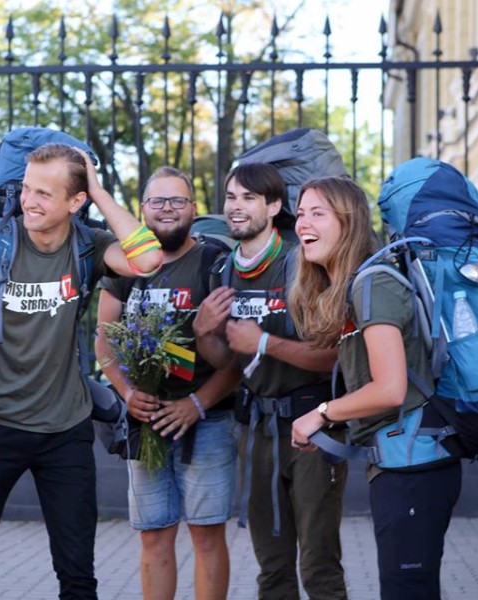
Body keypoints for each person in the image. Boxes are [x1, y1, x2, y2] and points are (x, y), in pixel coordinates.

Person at [0, 143, 163, 599]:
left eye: (44, 193)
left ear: (74, 202)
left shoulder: (88, 246)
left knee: (78, 575)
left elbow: (148, 259)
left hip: (66, 430)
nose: (30, 201)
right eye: (26, 189)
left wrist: (97, 190)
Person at [288, 177, 462, 599]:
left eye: (318, 213)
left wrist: (322, 413)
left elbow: (389, 389)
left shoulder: (373, 283)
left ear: (348, 223)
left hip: (414, 468)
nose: (302, 223)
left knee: (406, 590)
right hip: (401, 463)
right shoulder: (358, 285)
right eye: (300, 213)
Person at [193, 163, 349, 599]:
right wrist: (205, 331)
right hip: (257, 430)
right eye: (230, 197)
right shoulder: (222, 269)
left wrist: (264, 342)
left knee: (318, 564)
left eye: (248, 198)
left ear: (274, 205)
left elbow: (336, 355)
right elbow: (227, 359)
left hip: (313, 426)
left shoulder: (304, 262)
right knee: (271, 566)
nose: (236, 207)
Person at [95, 167, 240, 600]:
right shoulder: (126, 260)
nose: (167, 210)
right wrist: (127, 394)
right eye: (157, 201)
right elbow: (104, 341)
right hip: (147, 423)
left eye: (177, 201)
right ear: (142, 210)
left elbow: (238, 353)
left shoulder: (215, 261)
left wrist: (196, 403)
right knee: (153, 536)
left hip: (209, 420)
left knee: (207, 535)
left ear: (193, 209)